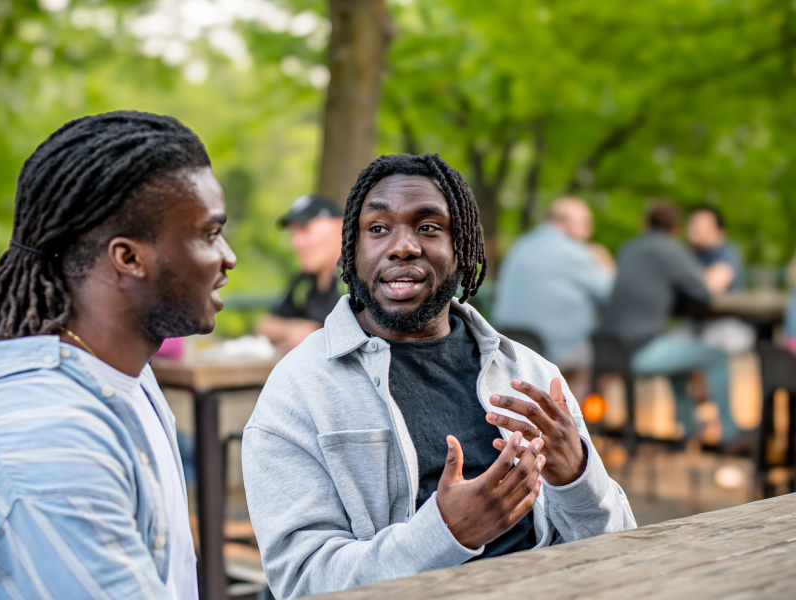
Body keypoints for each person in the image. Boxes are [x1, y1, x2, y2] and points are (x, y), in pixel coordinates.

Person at [242, 154, 636, 600]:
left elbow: (618, 547)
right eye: (378, 228)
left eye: (428, 227)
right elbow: (302, 582)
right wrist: (445, 533)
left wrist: (576, 478)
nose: (402, 246)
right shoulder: (298, 391)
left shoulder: (530, 374)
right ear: (352, 249)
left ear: (462, 247)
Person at [0, 111, 237, 598]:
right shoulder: (54, 436)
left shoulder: (124, 375)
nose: (228, 256)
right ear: (128, 258)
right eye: (210, 234)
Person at [599, 201, 738, 444]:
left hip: (608, 348)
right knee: (716, 357)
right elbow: (703, 293)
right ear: (676, 229)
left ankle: (688, 429)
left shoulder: (628, 249)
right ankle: (729, 435)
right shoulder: (671, 250)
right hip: (638, 351)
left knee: (680, 354)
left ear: (646, 224)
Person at [493, 197, 614, 400]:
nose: (588, 233)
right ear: (563, 223)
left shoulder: (520, 246)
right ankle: (576, 425)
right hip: (555, 351)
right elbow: (610, 295)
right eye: (585, 224)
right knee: (597, 357)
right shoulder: (576, 252)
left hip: (510, 346)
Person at [256, 194, 344, 351]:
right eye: (293, 233)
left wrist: (314, 336)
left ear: (339, 227)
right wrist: (292, 329)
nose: (296, 242)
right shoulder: (304, 282)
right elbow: (264, 324)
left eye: (305, 230)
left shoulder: (358, 279)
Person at [686, 204, 755, 354]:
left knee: (705, 348)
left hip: (729, 325)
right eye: (693, 224)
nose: (696, 229)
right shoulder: (686, 254)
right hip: (695, 325)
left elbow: (712, 286)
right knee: (674, 345)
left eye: (703, 226)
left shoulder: (725, 253)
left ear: (720, 233)